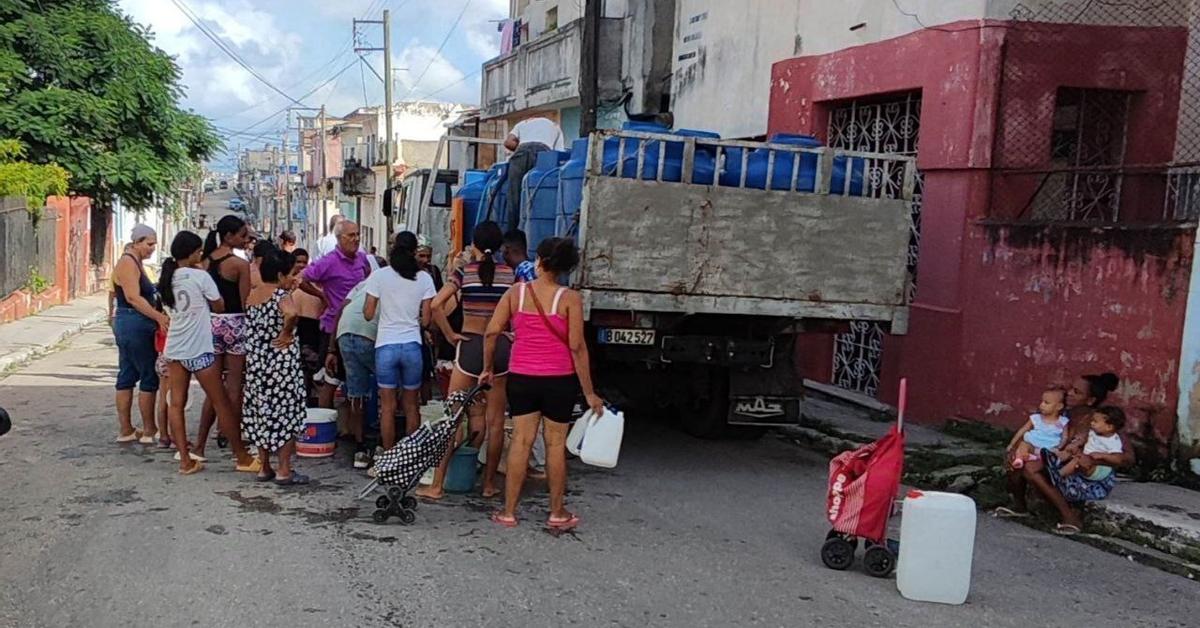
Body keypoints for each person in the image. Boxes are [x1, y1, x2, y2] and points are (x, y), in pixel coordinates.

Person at [483, 237, 603, 529]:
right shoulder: (571, 299)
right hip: (559, 380)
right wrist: (589, 393)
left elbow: (491, 332)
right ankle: (557, 512)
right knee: (555, 445)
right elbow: (577, 346)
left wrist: (487, 368)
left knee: (521, 442)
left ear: (540, 261)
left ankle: (509, 511)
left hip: (522, 378)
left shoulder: (516, 293)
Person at [417, 222, 514, 500]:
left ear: (474, 245)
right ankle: (488, 485)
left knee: (453, 417)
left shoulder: (464, 272)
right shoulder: (511, 275)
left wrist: (449, 335)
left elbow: (436, 305)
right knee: (495, 422)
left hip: (469, 345)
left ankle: (437, 485)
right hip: (500, 347)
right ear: (499, 247)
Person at [157, 231, 260, 475]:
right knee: (220, 400)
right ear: (193, 253)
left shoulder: (168, 278)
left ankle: (185, 459)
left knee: (176, 404)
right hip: (199, 347)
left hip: (175, 348)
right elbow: (219, 304)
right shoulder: (199, 276)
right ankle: (241, 456)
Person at [998, 372, 1133, 535]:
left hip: (1087, 474)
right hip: (1061, 462)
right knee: (1019, 458)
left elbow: (1128, 458)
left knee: (1030, 468)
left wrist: (1095, 459)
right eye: (1070, 389)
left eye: (1077, 392)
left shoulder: (1101, 422)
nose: (1069, 394)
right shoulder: (1064, 416)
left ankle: (1070, 517)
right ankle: (1019, 505)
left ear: (1090, 400)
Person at [363, 232, 440, 455]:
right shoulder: (424, 278)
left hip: (386, 345)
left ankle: (388, 456)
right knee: (411, 405)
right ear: (415, 251)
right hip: (412, 346)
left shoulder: (379, 276)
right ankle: (410, 456)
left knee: (387, 407)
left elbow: (368, 314)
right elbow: (426, 320)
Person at [243, 249, 309, 485]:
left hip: (258, 364)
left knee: (261, 412)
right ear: (280, 274)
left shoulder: (252, 295)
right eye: (292, 273)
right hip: (281, 365)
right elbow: (290, 313)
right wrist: (286, 332)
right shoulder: (281, 295)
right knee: (287, 414)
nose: (295, 278)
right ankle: (284, 469)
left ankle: (264, 467)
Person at [194, 216, 252, 458]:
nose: (245, 240)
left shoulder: (204, 262)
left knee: (213, 388)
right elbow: (246, 302)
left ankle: (199, 444)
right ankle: (232, 437)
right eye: (242, 235)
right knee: (234, 387)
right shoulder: (239, 265)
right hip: (235, 323)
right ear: (229, 236)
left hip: (210, 325)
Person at [299, 220, 373, 409]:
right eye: (351, 235)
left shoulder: (362, 259)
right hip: (333, 327)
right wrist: (322, 296)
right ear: (340, 239)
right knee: (330, 379)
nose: (356, 239)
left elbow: (369, 280)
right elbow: (302, 279)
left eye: (358, 234)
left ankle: (351, 427)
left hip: (357, 325)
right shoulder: (328, 261)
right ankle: (325, 423)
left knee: (355, 379)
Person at [111, 225, 168, 444]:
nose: (152, 248)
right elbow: (133, 297)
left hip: (130, 323)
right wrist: (157, 316)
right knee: (147, 375)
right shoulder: (128, 262)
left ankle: (127, 429)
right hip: (134, 322)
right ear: (137, 242)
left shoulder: (135, 262)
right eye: (149, 244)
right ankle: (148, 428)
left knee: (127, 373)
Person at [504, 117, 564, 233]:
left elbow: (508, 142)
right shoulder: (555, 127)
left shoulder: (521, 123)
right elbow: (558, 154)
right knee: (537, 195)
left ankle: (512, 237)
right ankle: (535, 232)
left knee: (514, 197)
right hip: (543, 154)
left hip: (521, 152)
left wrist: (522, 150)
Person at [291, 248, 325, 405]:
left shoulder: (316, 286)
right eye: (298, 262)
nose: (302, 265)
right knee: (300, 370)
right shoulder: (287, 284)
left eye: (305, 262)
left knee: (313, 370)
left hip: (314, 329)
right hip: (296, 328)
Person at [1005, 387, 1068, 469]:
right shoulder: (1036, 418)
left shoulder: (1062, 421)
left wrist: (1060, 447)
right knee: (1023, 445)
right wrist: (1012, 444)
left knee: (1055, 454)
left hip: (1049, 448)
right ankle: (1019, 459)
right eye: (1042, 401)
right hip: (1033, 444)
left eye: (1046, 403)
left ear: (1059, 406)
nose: (1041, 405)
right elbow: (1023, 430)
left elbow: (1065, 437)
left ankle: (1037, 459)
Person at [1059, 406, 1125, 479]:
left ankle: (1059, 474)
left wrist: (1103, 455)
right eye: (1092, 420)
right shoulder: (1093, 432)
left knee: (1077, 459)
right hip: (1085, 459)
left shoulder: (1113, 440)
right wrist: (1075, 444)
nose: (1091, 423)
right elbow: (1084, 439)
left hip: (1099, 469)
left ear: (1109, 427)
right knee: (1071, 451)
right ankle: (1055, 460)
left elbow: (1118, 459)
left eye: (1095, 421)